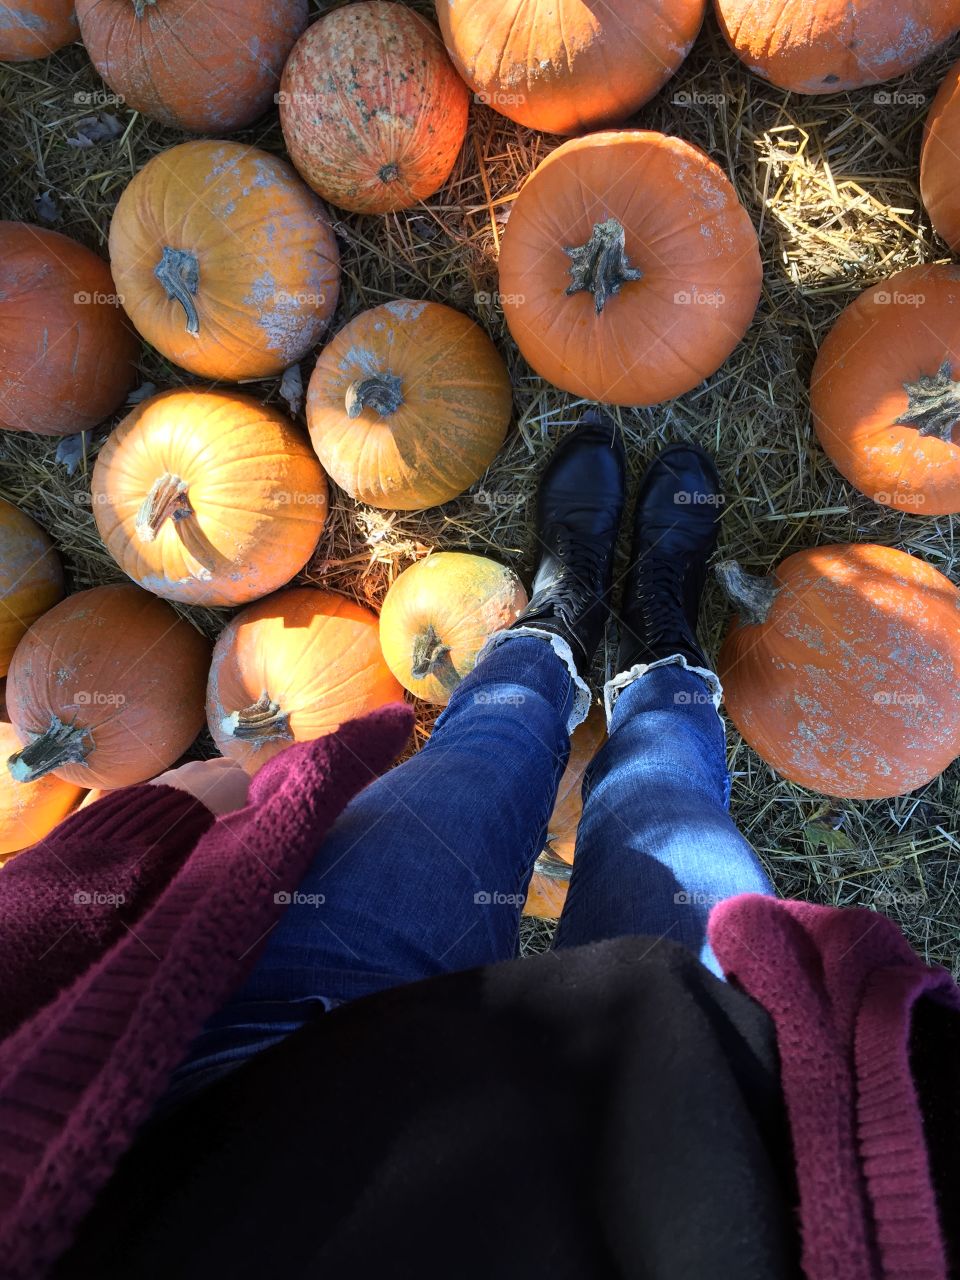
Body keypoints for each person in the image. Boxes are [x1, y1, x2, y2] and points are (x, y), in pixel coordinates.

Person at [0, 415, 957, 1280]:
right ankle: (660, 631)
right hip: (716, 1117)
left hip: (270, 1060)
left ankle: (561, 614)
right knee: (666, 802)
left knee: (477, 760)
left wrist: (135, 838)